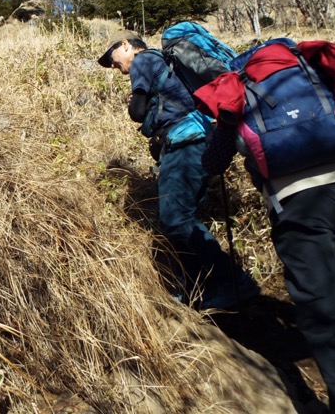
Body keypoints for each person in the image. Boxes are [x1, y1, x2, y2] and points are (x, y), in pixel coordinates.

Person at [196, 66, 335, 413]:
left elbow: (214, 162)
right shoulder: (316, 75)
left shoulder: (236, 90)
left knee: (327, 307)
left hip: (299, 199)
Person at [97, 29, 259, 309]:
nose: (113, 66)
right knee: (182, 220)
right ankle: (199, 290)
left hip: (185, 143)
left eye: (112, 58)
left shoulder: (144, 60)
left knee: (175, 219)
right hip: (197, 141)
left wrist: (135, 104)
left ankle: (234, 281)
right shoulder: (162, 65)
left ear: (126, 45)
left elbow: (136, 112)